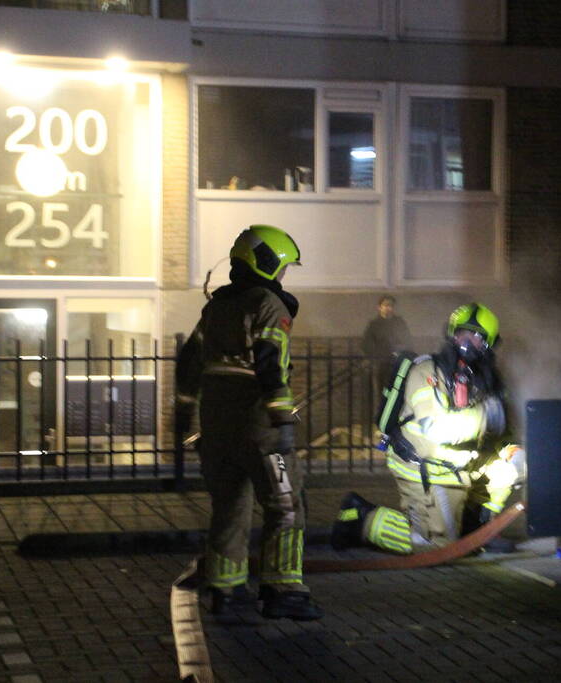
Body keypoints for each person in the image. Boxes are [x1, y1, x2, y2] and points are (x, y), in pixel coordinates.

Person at [175, 224, 322, 621]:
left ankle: (227, 592)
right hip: (260, 429)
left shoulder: (216, 307)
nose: (284, 276)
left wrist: (182, 418)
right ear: (269, 263)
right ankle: (283, 591)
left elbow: (188, 364)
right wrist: (282, 419)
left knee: (229, 506)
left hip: (216, 427)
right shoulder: (268, 304)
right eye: (283, 268)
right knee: (287, 505)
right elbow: (271, 360)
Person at [332, 302, 526, 554]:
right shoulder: (427, 372)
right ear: (451, 334)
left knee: (518, 462)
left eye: (476, 337)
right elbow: (437, 429)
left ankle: (477, 530)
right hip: (427, 467)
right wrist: (485, 414)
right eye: (461, 334)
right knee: (438, 547)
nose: (466, 342)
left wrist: (510, 448)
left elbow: (501, 430)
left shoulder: (487, 379)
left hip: (462, 465)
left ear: (489, 343)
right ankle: (360, 518)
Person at [361, 294, 413, 393]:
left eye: (391, 306)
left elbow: (407, 340)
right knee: (383, 390)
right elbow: (367, 344)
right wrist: (375, 356)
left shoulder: (399, 323)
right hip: (381, 363)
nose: (389, 308)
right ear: (379, 307)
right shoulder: (374, 325)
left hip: (396, 361)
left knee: (397, 389)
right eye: (386, 305)